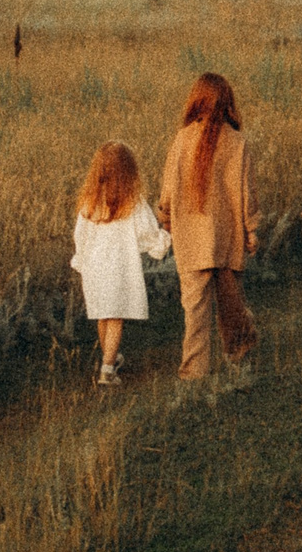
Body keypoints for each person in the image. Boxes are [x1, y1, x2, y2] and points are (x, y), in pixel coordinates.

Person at [161, 72, 260, 378]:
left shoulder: (182, 138)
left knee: (194, 308)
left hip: (191, 237)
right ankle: (239, 352)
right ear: (228, 101)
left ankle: (194, 370)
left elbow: (168, 188)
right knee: (231, 302)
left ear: (197, 100)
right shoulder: (237, 142)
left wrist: (165, 218)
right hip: (227, 236)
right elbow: (246, 191)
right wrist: (251, 228)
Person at [70, 140, 168, 386]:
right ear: (129, 170)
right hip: (118, 268)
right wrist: (165, 237)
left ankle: (110, 358)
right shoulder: (133, 202)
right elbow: (148, 234)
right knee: (115, 317)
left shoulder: (89, 203)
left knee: (104, 315)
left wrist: (81, 258)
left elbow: (80, 236)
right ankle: (107, 371)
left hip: (94, 268)